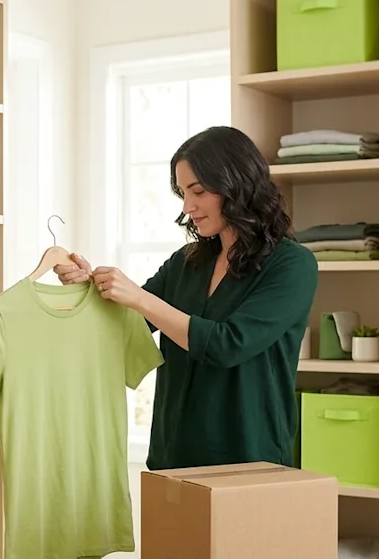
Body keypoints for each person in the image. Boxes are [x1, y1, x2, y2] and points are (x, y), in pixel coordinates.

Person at [56, 126, 318, 470]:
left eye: (198, 191)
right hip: (173, 454)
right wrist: (87, 288)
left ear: (236, 184)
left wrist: (137, 297)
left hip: (249, 458)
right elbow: (124, 330)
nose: (187, 206)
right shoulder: (187, 262)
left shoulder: (292, 265)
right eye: (182, 192)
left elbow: (229, 344)